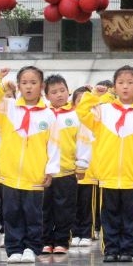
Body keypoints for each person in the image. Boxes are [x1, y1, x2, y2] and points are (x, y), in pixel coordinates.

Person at [76, 66, 133, 263]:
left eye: (130, 83)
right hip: (108, 173)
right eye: (121, 83)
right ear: (114, 86)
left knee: (132, 215)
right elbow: (82, 113)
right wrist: (93, 96)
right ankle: (110, 249)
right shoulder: (103, 110)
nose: (125, 87)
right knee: (109, 215)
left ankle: (128, 250)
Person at [0, 66, 60, 264]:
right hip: (10, 172)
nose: (29, 87)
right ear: (18, 86)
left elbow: (54, 143)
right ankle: (14, 249)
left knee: (33, 214)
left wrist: (51, 169)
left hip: (34, 174)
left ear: (41, 86)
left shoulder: (48, 114)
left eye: (33, 83)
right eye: (24, 83)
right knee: (11, 212)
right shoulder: (7, 107)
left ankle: (32, 248)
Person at [41, 74, 79, 255]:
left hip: (66, 171)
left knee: (65, 209)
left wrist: (81, 165)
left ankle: (62, 241)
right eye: (54, 92)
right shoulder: (43, 114)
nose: (59, 95)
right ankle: (45, 240)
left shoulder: (75, 115)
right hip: (44, 172)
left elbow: (82, 142)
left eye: (62, 90)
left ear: (68, 91)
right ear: (46, 95)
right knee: (44, 208)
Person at [70, 86, 97, 248]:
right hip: (71, 170)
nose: (82, 103)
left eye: (85, 100)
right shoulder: (69, 119)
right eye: (79, 100)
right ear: (73, 103)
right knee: (73, 204)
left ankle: (87, 232)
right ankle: (74, 232)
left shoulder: (95, 120)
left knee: (88, 204)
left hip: (90, 170)